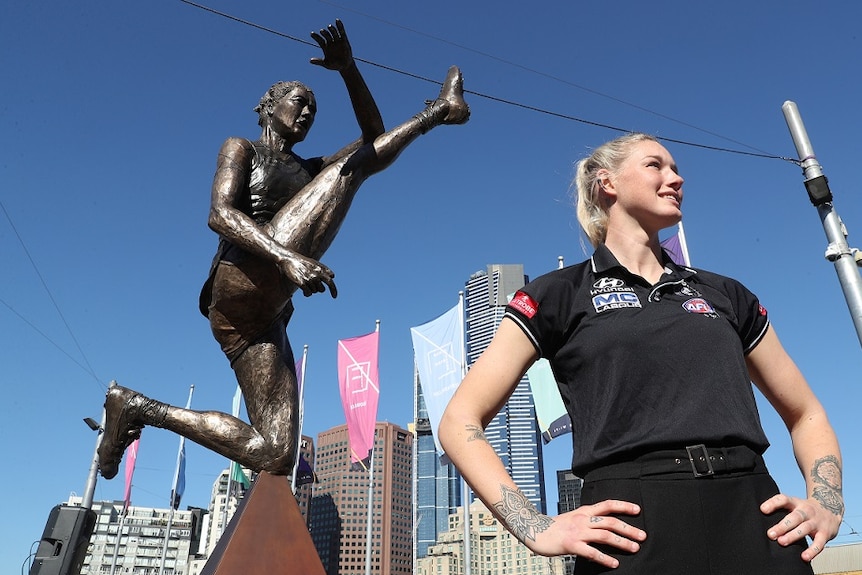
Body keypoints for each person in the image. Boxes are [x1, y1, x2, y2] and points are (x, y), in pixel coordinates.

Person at [438, 133, 843, 574]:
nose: (676, 178)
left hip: (754, 513)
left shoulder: (726, 294)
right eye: (656, 165)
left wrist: (828, 502)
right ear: (605, 182)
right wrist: (535, 527)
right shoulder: (556, 294)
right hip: (631, 525)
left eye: (676, 168)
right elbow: (460, 422)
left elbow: (806, 413)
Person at [97, 19, 469, 480]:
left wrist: (349, 69)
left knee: (275, 455)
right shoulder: (241, 147)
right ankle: (438, 112)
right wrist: (286, 257)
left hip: (261, 319)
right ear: (269, 106)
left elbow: (373, 136)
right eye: (300, 101)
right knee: (348, 171)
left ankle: (136, 407)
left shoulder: (309, 169)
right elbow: (220, 214)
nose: (309, 111)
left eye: (315, 107)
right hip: (239, 279)